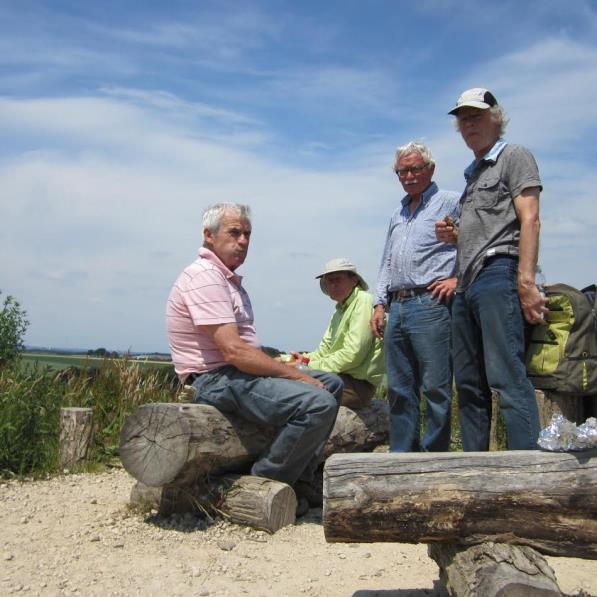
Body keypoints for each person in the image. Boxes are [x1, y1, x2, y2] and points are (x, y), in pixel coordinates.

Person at [166, 202, 343, 509]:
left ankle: (299, 475)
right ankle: (264, 481)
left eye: (247, 234)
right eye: (235, 233)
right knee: (318, 402)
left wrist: (287, 372)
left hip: (234, 372)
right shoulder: (205, 277)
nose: (244, 241)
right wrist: (295, 375)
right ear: (209, 235)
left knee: (332, 383)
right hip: (214, 378)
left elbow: (243, 351)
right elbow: (234, 351)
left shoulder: (225, 278)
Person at [435, 87, 547, 451]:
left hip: (498, 272)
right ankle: (475, 468)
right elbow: (484, 228)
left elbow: (530, 219)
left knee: (505, 376)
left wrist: (526, 283)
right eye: (463, 119)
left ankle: (529, 471)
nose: (469, 124)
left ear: (496, 118)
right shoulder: (472, 174)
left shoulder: (514, 156)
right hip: (467, 284)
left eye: (476, 116)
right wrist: (455, 235)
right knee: (467, 383)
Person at [370, 141, 460, 452]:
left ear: (430, 169)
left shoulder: (451, 201)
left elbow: (476, 240)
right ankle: (402, 457)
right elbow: (387, 261)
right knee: (398, 388)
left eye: (414, 169)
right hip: (399, 305)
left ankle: (433, 458)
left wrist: (458, 279)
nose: (408, 176)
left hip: (431, 304)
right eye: (402, 171)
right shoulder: (397, 212)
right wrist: (379, 303)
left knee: (435, 387)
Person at [288, 258, 384, 410]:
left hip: (357, 387)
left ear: (354, 280)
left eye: (338, 280)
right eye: (329, 282)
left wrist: (307, 367)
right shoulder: (340, 310)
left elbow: (352, 354)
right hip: (342, 379)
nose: (333, 285)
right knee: (285, 377)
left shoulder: (364, 302)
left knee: (291, 387)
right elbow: (324, 350)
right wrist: (301, 360)